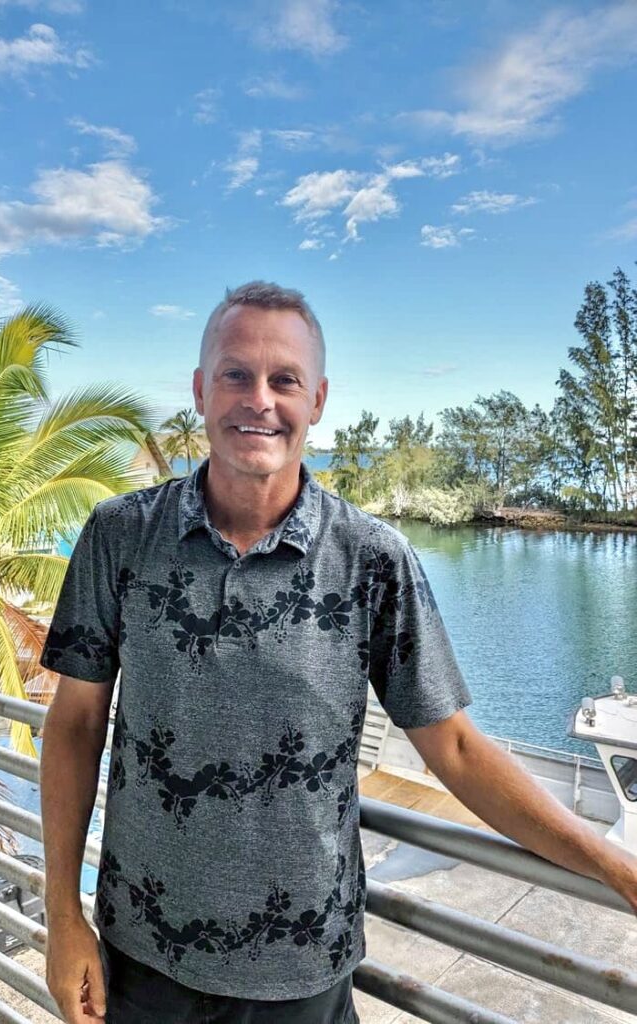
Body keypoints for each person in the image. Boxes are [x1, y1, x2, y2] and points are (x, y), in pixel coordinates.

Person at [39, 281, 637, 1024]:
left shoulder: (372, 560)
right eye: (235, 374)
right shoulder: (120, 535)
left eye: (285, 379)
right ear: (200, 390)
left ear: (317, 400)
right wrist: (62, 914)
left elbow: (453, 748)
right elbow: (75, 724)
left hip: (303, 976)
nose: (259, 399)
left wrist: (613, 864)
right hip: (140, 961)